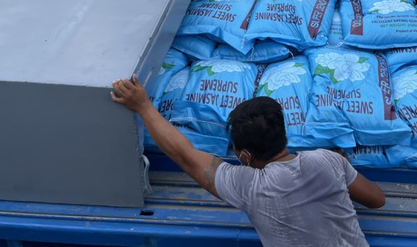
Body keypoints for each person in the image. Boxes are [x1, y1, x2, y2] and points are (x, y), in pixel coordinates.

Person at [110, 75, 385, 247]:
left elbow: (184, 155)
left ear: (243, 156)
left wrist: (144, 106)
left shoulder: (249, 186)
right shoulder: (328, 160)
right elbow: (376, 199)